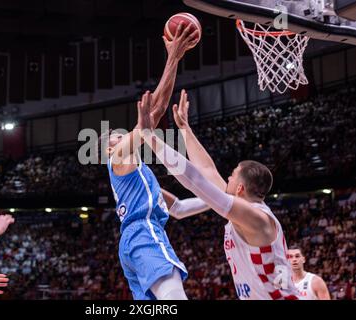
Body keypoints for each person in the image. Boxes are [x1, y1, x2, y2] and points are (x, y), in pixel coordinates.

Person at [137, 90, 302, 300]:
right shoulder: (244, 212)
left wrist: (149, 136)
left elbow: (196, 181)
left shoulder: (257, 218)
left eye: (232, 176)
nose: (228, 179)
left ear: (240, 188)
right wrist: (185, 129)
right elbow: (207, 171)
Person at [100, 23, 201, 300]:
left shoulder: (139, 179)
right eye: (114, 138)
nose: (120, 137)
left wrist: (222, 200)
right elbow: (154, 115)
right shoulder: (118, 159)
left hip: (135, 242)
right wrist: (173, 57)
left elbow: (178, 208)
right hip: (143, 233)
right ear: (110, 151)